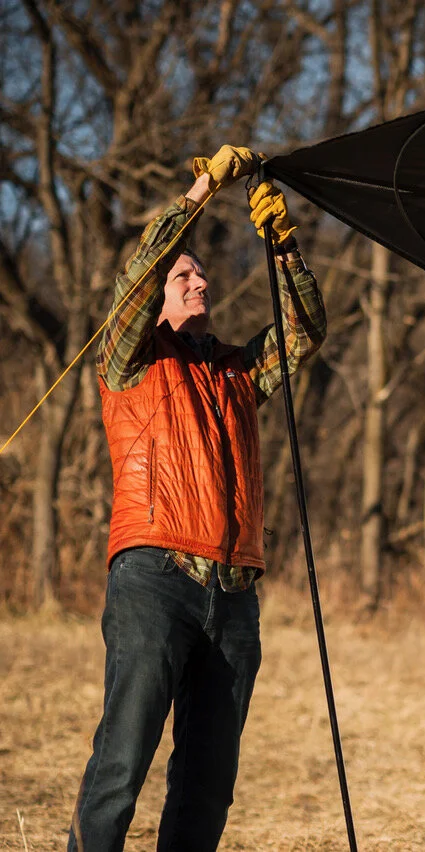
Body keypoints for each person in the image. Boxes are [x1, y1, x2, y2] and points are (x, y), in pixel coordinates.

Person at [68, 145, 327, 851]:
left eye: (203, 273)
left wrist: (283, 247)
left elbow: (304, 332)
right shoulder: (131, 361)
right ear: (156, 295)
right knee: (122, 764)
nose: (199, 280)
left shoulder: (240, 374)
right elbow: (138, 278)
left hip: (235, 595)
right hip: (154, 582)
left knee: (210, 782)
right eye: (184, 274)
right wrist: (202, 189)